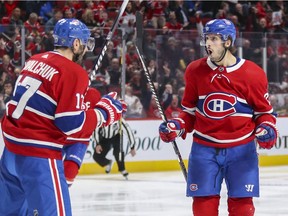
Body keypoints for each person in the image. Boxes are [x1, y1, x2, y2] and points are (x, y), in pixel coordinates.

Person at [0, 18, 125, 216]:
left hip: (10, 154)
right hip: (38, 157)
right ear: (76, 43)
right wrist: (103, 113)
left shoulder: (34, 60)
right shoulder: (74, 71)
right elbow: (71, 125)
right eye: (83, 44)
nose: (84, 49)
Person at [158, 19, 278, 216]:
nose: (208, 43)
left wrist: (267, 129)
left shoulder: (252, 73)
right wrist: (176, 126)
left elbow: (264, 113)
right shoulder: (194, 70)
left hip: (242, 150)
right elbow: (188, 113)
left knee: (242, 207)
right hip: (204, 149)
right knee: (203, 206)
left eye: (214, 39)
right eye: (207, 38)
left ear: (228, 42)